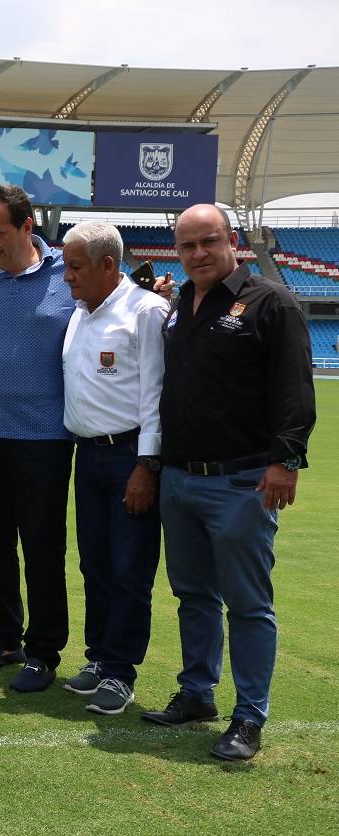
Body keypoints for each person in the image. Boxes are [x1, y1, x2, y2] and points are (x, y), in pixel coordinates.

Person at [141, 204, 316, 761]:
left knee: (247, 603)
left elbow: (294, 389)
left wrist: (285, 462)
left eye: (208, 242)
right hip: (179, 477)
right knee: (192, 594)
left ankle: (249, 717)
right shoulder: (178, 307)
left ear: (232, 240)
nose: (198, 254)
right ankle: (197, 692)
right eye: (187, 245)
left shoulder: (271, 302)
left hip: (242, 478)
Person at [0, 184, 76, 691]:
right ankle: (6, 638)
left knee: (43, 543)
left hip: (46, 436)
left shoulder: (66, 273)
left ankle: (44, 653)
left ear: (29, 227)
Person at [58, 221, 167, 715]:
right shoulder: (80, 313)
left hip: (129, 456)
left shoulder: (146, 311)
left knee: (130, 569)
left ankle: (121, 672)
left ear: (107, 265)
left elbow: (157, 396)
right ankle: (100, 658)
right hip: (89, 454)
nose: (66, 278)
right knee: (94, 565)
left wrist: (147, 464)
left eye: (75, 267)